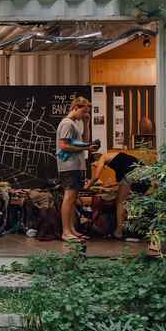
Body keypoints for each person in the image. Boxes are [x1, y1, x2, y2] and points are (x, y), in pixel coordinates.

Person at [56, 96, 98, 242]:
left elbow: (84, 142)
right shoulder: (67, 124)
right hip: (69, 167)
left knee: (73, 199)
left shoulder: (74, 124)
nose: (84, 115)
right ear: (75, 108)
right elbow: (63, 146)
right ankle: (66, 232)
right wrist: (86, 147)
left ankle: (71, 229)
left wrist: (86, 123)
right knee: (68, 198)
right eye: (83, 112)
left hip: (76, 166)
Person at [85, 152, 150, 239]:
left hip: (134, 173)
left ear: (96, 160)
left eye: (94, 165)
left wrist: (87, 186)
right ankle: (132, 229)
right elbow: (121, 182)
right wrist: (109, 187)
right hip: (144, 173)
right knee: (130, 201)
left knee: (120, 202)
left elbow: (96, 177)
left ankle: (119, 232)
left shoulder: (103, 157)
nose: (95, 167)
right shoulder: (117, 160)